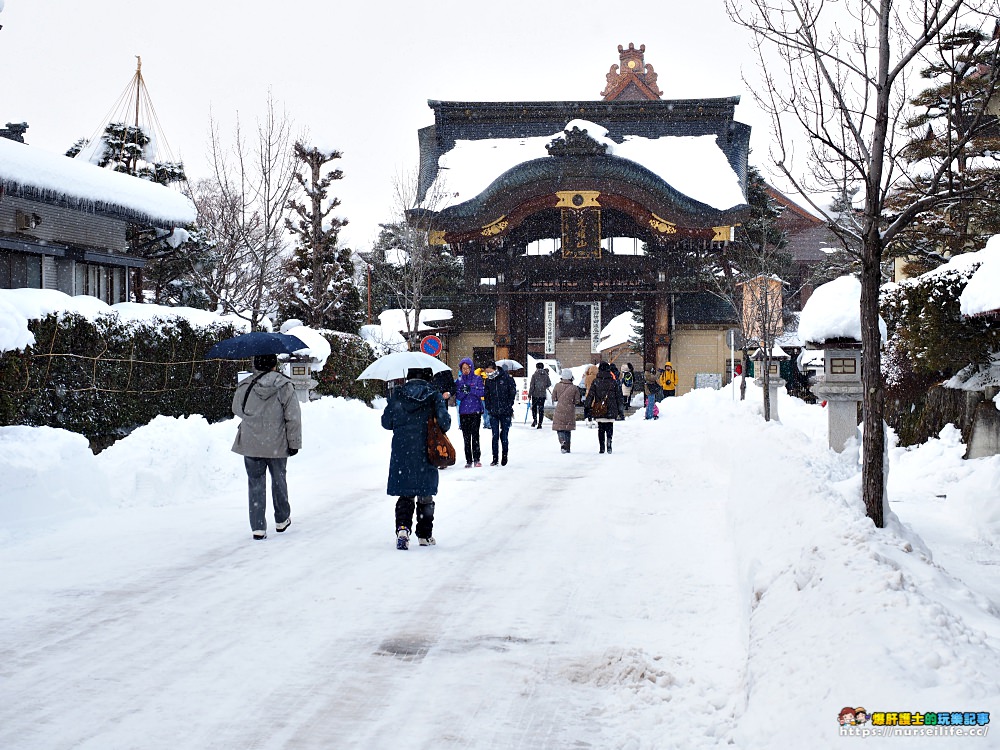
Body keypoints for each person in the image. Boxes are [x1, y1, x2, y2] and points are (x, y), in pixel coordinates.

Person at [231, 353, 302, 541]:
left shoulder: (246, 385)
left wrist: (256, 418)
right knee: (279, 480)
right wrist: (294, 443)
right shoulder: (284, 385)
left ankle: (258, 527)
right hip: (277, 443)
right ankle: (281, 519)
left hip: (251, 442)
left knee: (255, 483)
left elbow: (237, 409)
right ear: (273, 365)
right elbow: (293, 416)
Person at [381, 367, 451, 550]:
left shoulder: (398, 395)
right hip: (426, 449)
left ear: (408, 377)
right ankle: (425, 535)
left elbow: (386, 423)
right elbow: (445, 423)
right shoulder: (434, 396)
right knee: (425, 493)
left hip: (402, 450)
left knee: (405, 492)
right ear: (428, 377)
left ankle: (403, 529)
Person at [483, 361, 517, 466]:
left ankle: (504, 455)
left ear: (494, 369)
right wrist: (489, 407)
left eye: (489, 371)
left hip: (505, 411)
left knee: (504, 435)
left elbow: (512, 393)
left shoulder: (506, 378)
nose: (488, 374)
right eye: (486, 372)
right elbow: (486, 395)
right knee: (495, 435)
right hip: (493, 412)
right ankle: (495, 458)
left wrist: (508, 405)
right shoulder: (488, 381)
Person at [584, 361, 622, 453]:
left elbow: (590, 395)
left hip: (599, 408)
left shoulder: (596, 381)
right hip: (611, 408)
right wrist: (620, 409)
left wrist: (587, 407)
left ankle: (602, 446)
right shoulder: (613, 382)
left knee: (601, 428)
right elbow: (619, 396)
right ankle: (609, 443)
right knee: (609, 426)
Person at [454, 357, 485, 467]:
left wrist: (471, 390)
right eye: (463, 368)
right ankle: (468, 460)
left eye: (467, 368)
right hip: (464, 412)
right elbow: (457, 396)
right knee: (466, 437)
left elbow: (482, 392)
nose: (465, 370)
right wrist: (463, 392)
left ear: (471, 368)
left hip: (475, 410)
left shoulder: (477, 378)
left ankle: (477, 458)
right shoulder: (459, 380)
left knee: (475, 435)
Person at [551, 368, 581, 453]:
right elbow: (577, 400)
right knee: (568, 429)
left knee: (560, 428)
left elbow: (554, 398)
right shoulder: (574, 388)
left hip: (559, 409)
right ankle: (567, 447)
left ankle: (562, 441)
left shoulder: (557, 386)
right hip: (570, 410)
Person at [528, 362, 552, 429]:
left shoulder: (534, 375)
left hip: (535, 394)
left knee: (534, 408)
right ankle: (540, 423)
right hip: (542, 395)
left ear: (537, 367)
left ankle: (535, 420)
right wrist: (544, 386)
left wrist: (530, 394)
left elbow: (532, 386)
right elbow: (549, 384)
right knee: (541, 409)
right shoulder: (546, 375)